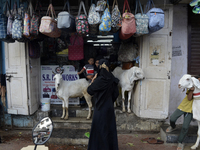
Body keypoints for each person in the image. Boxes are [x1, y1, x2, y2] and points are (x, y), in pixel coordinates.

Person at [87, 59, 119, 150]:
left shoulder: (100, 80)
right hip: (109, 108)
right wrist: (109, 101)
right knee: (109, 129)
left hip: (100, 109)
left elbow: (89, 91)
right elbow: (116, 94)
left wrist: (93, 80)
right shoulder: (113, 79)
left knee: (99, 129)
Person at [166, 86, 195, 150]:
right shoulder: (191, 85)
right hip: (184, 105)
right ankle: (173, 126)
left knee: (185, 127)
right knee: (172, 118)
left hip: (191, 110)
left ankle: (180, 142)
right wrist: (191, 90)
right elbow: (189, 98)